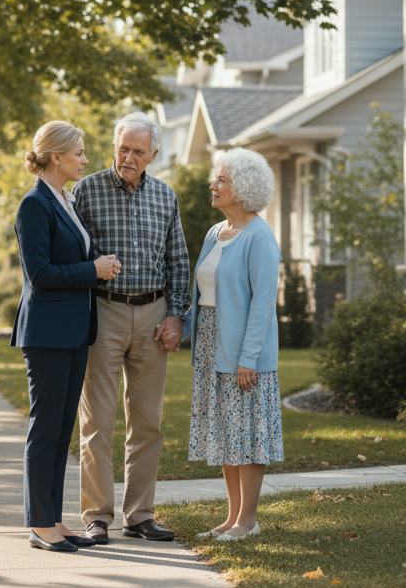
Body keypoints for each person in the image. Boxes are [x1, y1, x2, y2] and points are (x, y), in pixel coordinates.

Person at [72, 112, 191, 543]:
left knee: (147, 422)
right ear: (114, 146)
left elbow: (178, 260)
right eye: (123, 148)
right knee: (97, 420)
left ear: (154, 155)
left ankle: (140, 515)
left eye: (138, 151)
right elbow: (71, 256)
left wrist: (178, 316)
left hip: (154, 315)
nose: (128, 157)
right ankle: (97, 516)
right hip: (105, 312)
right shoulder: (85, 191)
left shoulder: (165, 196)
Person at [12, 121, 123, 553]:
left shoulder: (65, 199)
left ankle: (54, 519)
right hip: (47, 333)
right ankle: (39, 524)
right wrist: (90, 271)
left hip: (75, 330)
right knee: (45, 429)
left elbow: (68, 257)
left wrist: (98, 263)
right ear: (55, 157)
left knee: (61, 431)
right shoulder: (34, 204)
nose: (85, 160)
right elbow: (38, 274)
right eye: (78, 152)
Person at [186, 147, 283, 542]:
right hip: (212, 344)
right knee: (227, 433)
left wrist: (249, 360)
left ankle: (249, 520)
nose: (213, 185)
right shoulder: (216, 233)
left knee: (249, 435)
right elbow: (205, 293)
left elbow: (262, 304)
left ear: (241, 189)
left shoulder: (260, 237)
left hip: (245, 351)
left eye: (221, 180)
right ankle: (232, 518)